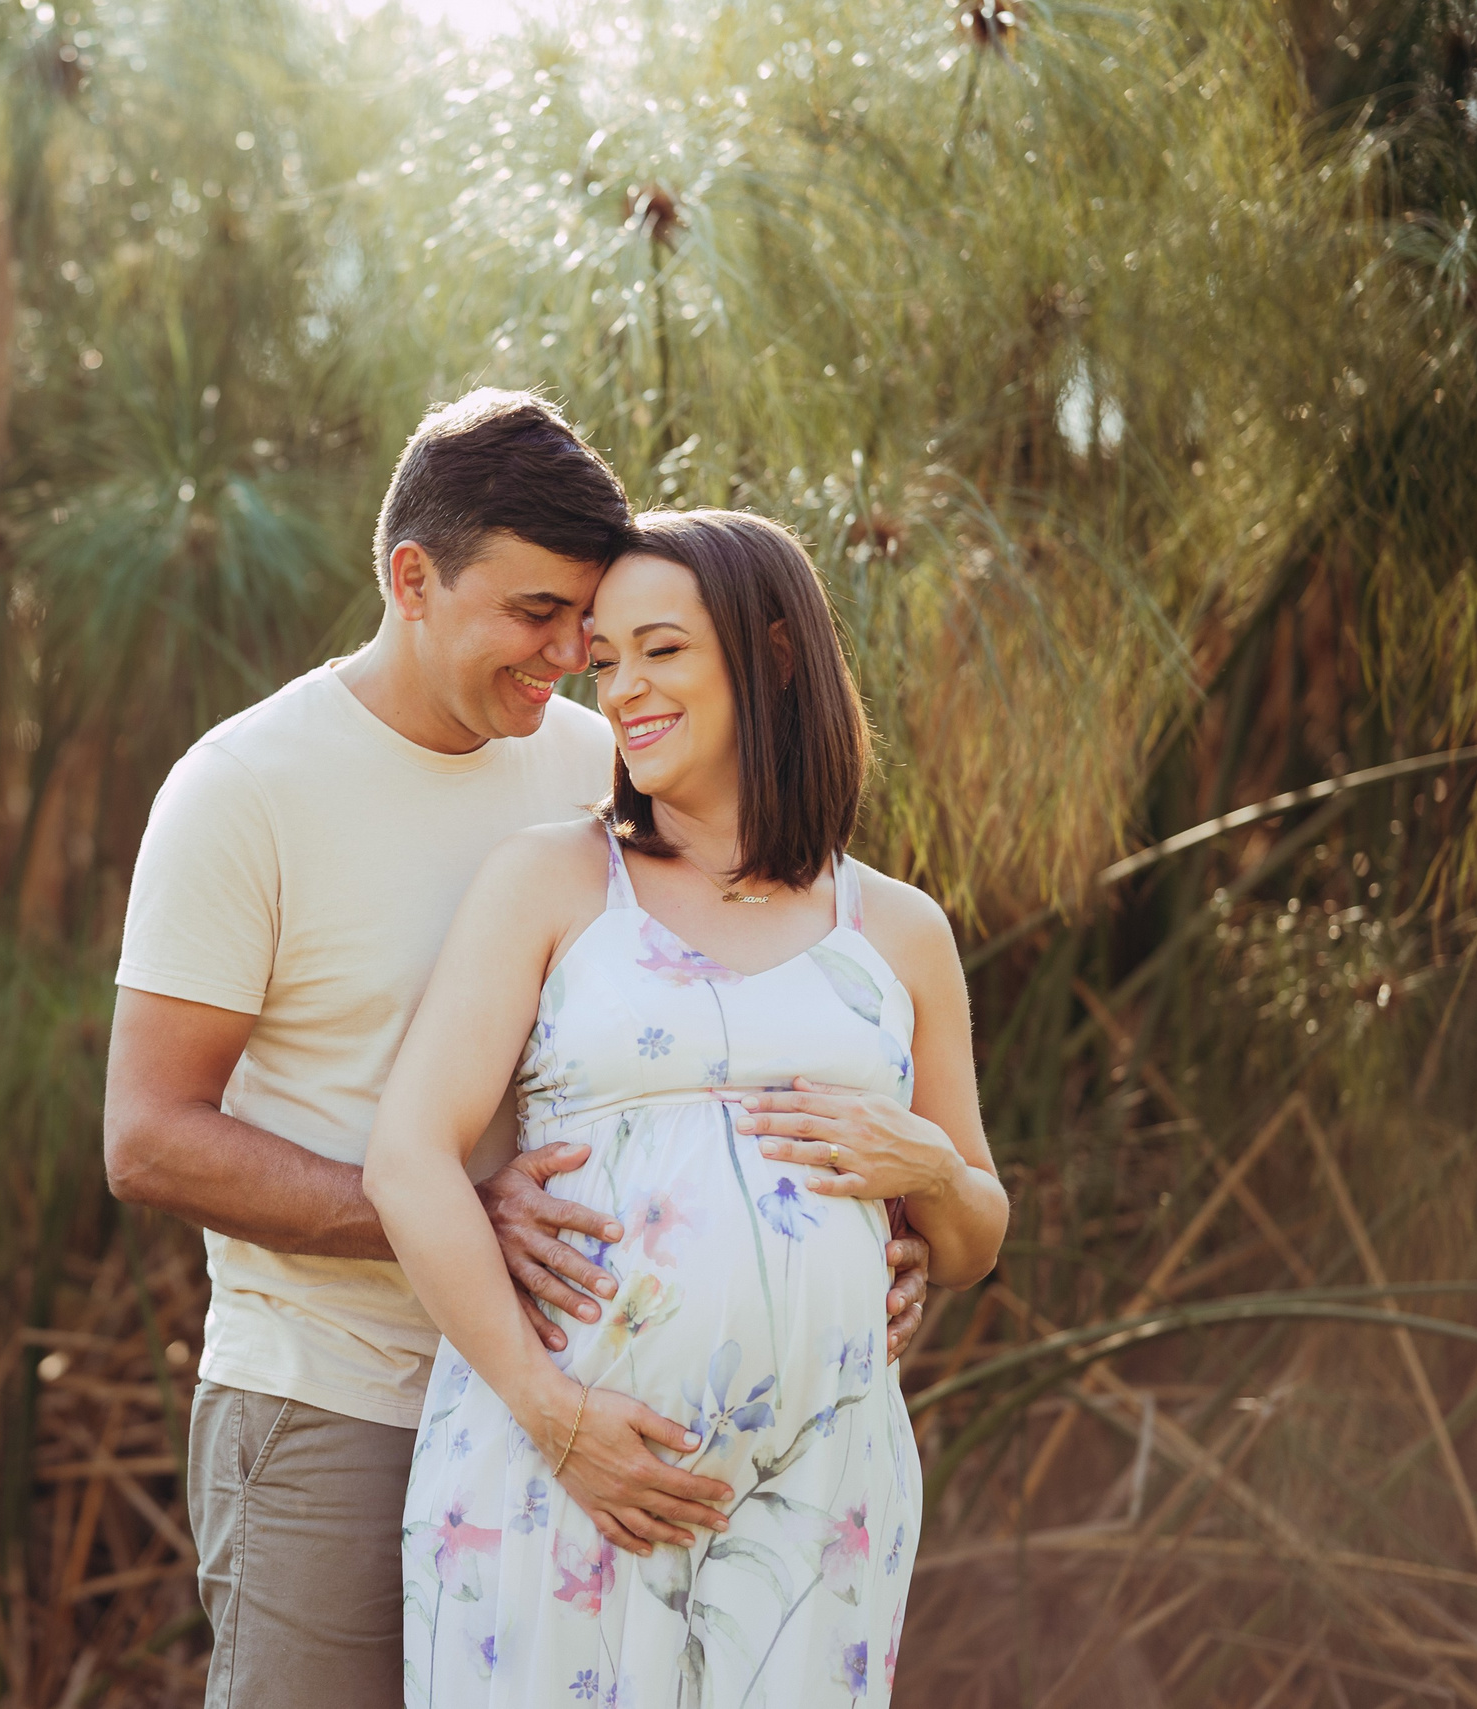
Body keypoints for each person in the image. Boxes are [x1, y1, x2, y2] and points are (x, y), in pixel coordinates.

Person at [104, 399, 935, 1707]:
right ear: (412, 579)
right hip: (339, 1397)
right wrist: (458, 1219)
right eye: (536, 613)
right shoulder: (246, 790)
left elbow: (733, 1002)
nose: (571, 656)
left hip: (583, 1418)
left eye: (588, 628)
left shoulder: (603, 758)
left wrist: (875, 1242)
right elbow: (147, 1138)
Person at [364, 509, 1009, 1706]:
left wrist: (921, 1162)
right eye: (606, 659)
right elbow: (409, 1157)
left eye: (659, 649)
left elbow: (971, 1233)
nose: (620, 689)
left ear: (770, 654)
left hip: (823, 1484)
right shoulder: (555, 880)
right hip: (561, 1463)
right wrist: (551, 1413)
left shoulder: (899, 931)